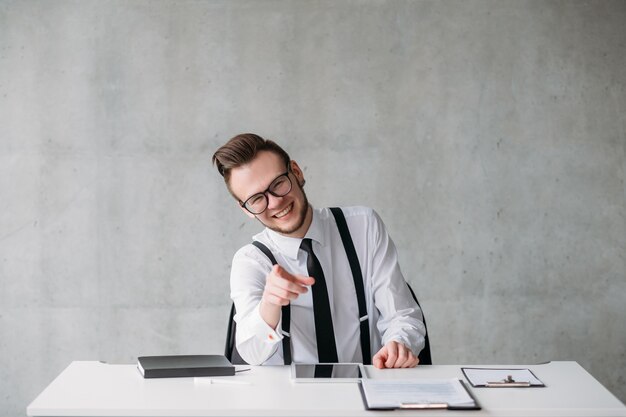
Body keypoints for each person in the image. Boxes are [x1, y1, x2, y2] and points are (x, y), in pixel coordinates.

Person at [212, 133, 426, 368]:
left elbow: (402, 315)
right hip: (290, 399)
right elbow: (251, 355)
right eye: (256, 199)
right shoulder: (250, 261)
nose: (274, 202)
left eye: (278, 184)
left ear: (296, 172)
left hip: (366, 391)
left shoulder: (363, 226)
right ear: (246, 209)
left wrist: (399, 343)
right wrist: (270, 304)